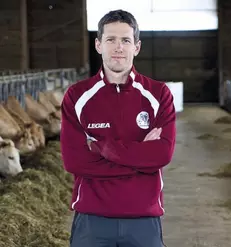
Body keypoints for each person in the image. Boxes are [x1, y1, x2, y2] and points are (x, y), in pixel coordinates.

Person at [60, 9, 176, 247]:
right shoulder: (77, 96)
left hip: (144, 218)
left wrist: (104, 148)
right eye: (110, 39)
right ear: (98, 45)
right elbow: (74, 162)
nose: (118, 47)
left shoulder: (158, 94)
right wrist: (140, 160)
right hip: (92, 220)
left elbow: (162, 154)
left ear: (137, 47)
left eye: (126, 40)